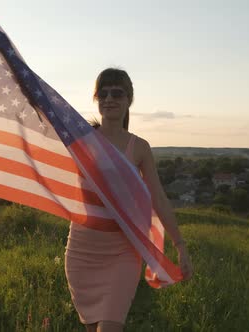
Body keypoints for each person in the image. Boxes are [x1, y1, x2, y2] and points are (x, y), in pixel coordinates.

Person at [64, 68, 193, 332]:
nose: (109, 98)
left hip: (123, 251)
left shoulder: (139, 147)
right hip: (81, 250)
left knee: (110, 327)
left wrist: (179, 244)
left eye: (117, 93)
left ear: (129, 99)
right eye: (103, 93)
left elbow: (158, 198)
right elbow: (38, 116)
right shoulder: (80, 139)